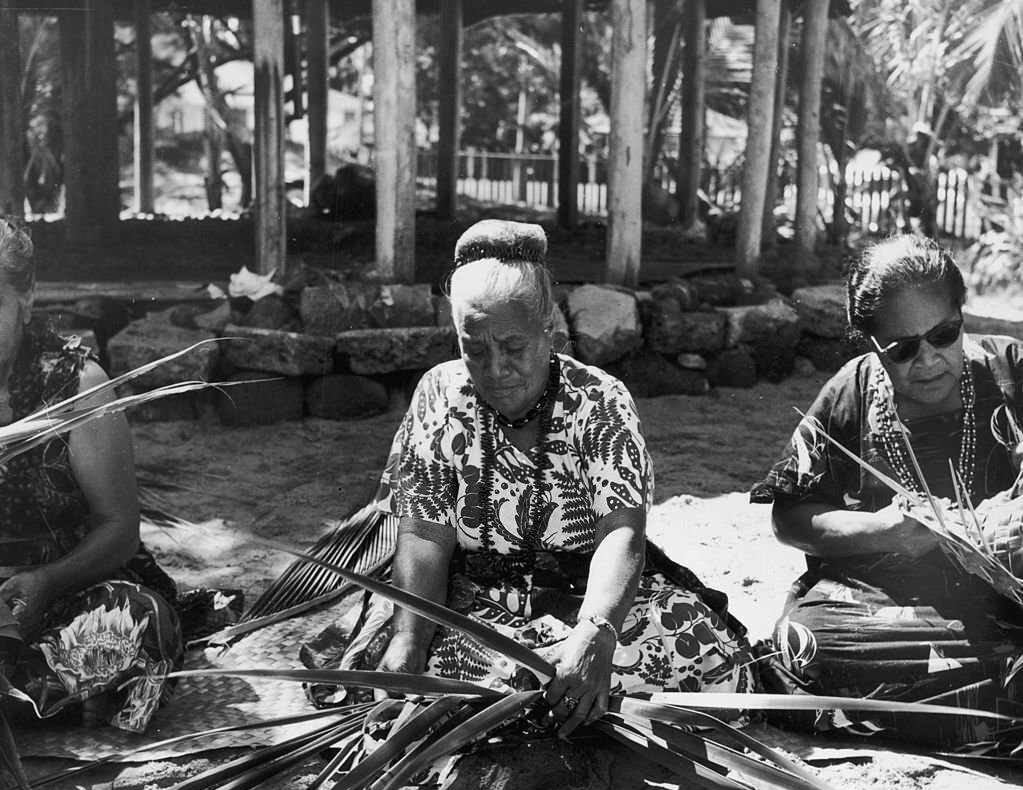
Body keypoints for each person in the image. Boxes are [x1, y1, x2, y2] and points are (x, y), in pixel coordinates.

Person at [320, 219, 754, 736]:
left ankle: (541, 692)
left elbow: (622, 533)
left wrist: (595, 633)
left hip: (588, 601)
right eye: (473, 349)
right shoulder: (439, 394)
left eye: (513, 346)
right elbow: (423, 534)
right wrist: (409, 638)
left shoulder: (600, 400)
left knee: (693, 649)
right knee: (417, 672)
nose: (496, 369)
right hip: (470, 605)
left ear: (548, 328)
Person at [752, 234, 1023, 754]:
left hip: (1006, 600)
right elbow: (790, 517)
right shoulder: (850, 393)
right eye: (902, 349)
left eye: (945, 334)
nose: (928, 360)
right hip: (888, 604)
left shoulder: (1009, 371)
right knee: (809, 645)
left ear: (962, 315)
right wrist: (886, 532)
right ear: (871, 344)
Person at [0, 217, 182, 732]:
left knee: (137, 620)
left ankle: (31, 696)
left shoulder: (76, 388)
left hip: (55, 603)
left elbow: (120, 530)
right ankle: (46, 700)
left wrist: (48, 581)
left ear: (28, 296)